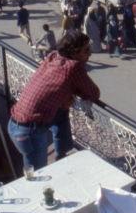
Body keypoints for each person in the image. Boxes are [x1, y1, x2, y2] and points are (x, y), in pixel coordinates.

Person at [6, 30, 99, 171]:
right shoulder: (73, 67)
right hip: (29, 133)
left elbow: (55, 84)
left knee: (61, 112)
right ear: (74, 53)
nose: (90, 53)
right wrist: (74, 90)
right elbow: (94, 93)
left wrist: (68, 92)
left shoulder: (53, 56)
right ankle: (63, 157)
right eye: (86, 50)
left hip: (15, 124)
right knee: (37, 177)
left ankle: (64, 154)